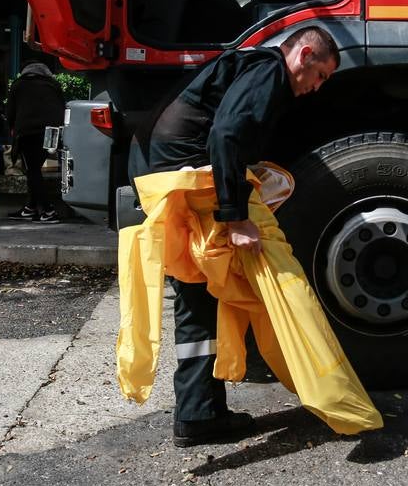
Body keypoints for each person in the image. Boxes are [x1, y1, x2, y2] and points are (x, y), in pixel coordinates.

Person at [144, 25, 340, 447]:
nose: (317, 87)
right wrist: (235, 219)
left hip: (177, 167)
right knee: (202, 287)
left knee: (201, 289)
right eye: (321, 75)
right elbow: (226, 134)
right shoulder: (269, 72)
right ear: (304, 55)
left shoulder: (257, 69)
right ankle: (197, 415)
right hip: (189, 169)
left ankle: (199, 412)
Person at [4, 62, 67, 223]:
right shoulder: (53, 85)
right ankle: (30, 208)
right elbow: (62, 106)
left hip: (29, 132)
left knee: (32, 170)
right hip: (52, 132)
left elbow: (10, 111)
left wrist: (12, 126)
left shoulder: (19, 85)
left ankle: (48, 211)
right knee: (36, 169)